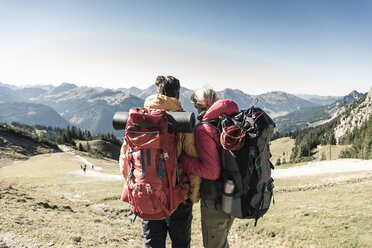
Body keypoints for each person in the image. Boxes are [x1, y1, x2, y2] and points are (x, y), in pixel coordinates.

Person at [119, 75, 201, 248]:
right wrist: (193, 196)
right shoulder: (182, 120)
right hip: (179, 195)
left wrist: (139, 184)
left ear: (157, 92)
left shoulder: (138, 120)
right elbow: (192, 159)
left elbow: (125, 159)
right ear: (178, 95)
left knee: (153, 243)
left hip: (147, 194)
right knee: (181, 243)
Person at [179, 87, 239, 248]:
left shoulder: (204, 129)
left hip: (215, 198)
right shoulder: (233, 120)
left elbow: (211, 172)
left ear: (198, 106)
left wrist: (184, 161)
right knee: (222, 241)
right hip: (235, 192)